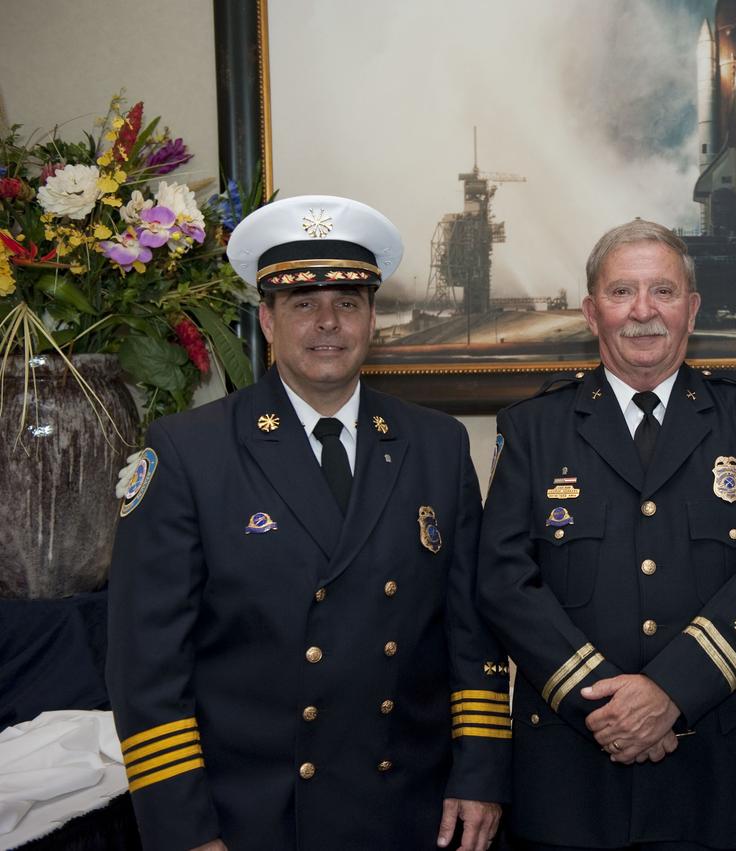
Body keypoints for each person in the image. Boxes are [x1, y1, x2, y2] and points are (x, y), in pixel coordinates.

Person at [106, 196, 509, 851]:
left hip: (411, 812)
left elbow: (473, 630)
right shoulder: (189, 452)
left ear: (373, 317)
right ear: (266, 318)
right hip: (254, 820)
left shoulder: (436, 445)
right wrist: (185, 832)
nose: (328, 323)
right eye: (302, 304)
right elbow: (146, 668)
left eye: (348, 303)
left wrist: (482, 772)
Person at [477, 219, 736, 850]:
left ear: (693, 308)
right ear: (591, 311)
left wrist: (671, 692)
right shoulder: (533, 429)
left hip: (719, 778)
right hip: (572, 778)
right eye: (622, 291)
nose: (643, 311)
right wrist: (603, 705)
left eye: (664, 290)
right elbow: (503, 582)